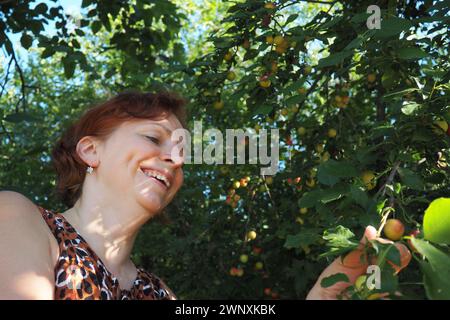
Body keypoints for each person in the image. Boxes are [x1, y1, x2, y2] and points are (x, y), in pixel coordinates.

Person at [0, 91, 409, 300]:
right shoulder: (20, 218)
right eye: (153, 138)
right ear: (91, 150)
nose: (173, 159)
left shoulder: (160, 292)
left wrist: (323, 294)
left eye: (181, 151)